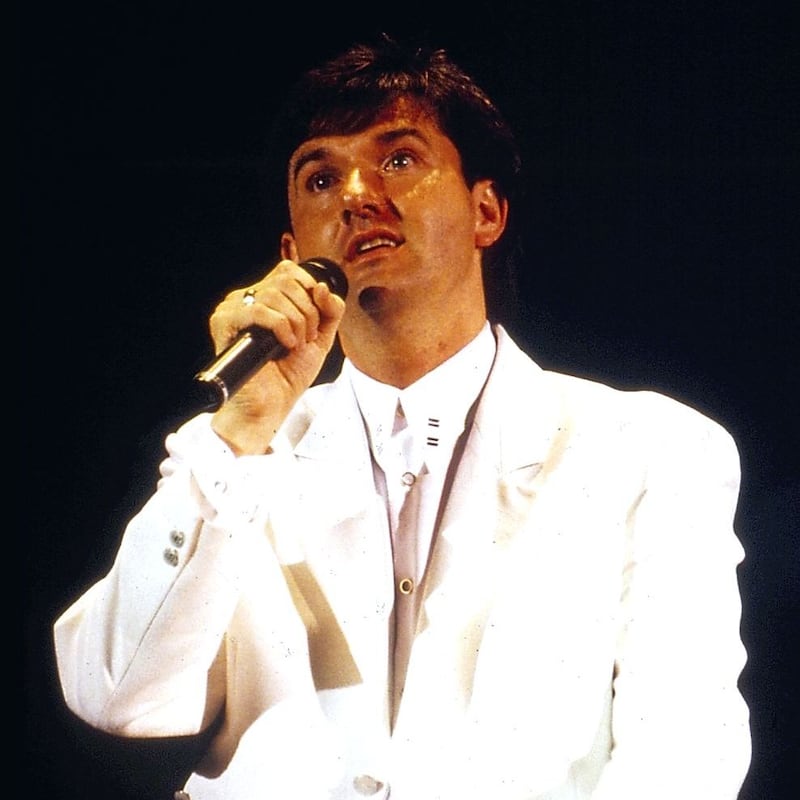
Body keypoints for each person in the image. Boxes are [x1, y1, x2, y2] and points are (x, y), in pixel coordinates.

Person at [53, 34, 751, 799]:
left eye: (398, 159)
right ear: (292, 251)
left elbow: (683, 751)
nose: (354, 194)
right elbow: (116, 698)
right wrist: (241, 435)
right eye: (320, 176)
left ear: (486, 211)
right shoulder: (234, 463)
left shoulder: (646, 449)